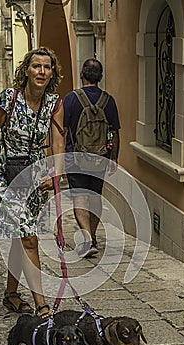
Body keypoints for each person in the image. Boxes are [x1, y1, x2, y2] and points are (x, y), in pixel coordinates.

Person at [0, 47, 65, 318]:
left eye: (47, 67)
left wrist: (55, 173)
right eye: (36, 66)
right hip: (3, 176)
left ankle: (11, 294)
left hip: (33, 177)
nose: (41, 71)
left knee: (20, 238)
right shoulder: (8, 98)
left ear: (52, 73)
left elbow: (57, 142)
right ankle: (41, 303)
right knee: (28, 237)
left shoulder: (55, 103)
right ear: (26, 70)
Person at [63, 58, 120, 257]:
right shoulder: (108, 100)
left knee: (80, 197)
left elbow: (63, 130)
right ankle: (92, 238)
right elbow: (113, 132)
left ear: (81, 74)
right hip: (100, 158)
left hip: (75, 157)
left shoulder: (71, 99)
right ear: (101, 77)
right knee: (95, 196)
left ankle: (87, 240)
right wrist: (113, 158)